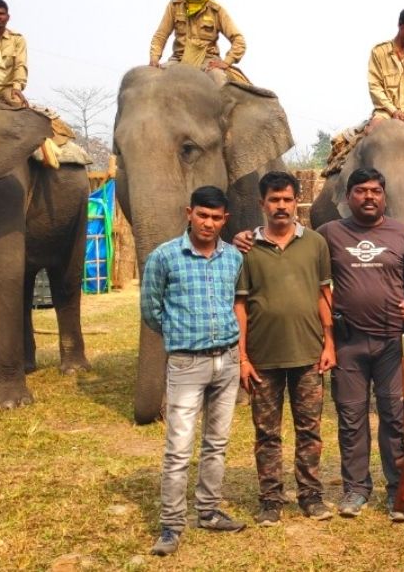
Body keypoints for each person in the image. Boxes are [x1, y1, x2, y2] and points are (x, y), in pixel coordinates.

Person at [141, 186, 246, 557]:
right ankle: (171, 524)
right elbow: (151, 310)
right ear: (190, 213)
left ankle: (209, 511)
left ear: (225, 220)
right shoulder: (165, 257)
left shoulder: (233, 258)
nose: (209, 223)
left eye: (217, 218)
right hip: (187, 363)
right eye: (203, 215)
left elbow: (235, 302)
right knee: (179, 448)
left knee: (217, 443)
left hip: (227, 360)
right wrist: (180, 336)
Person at [316, 167, 404, 522]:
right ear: (348, 197)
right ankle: (356, 489)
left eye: (375, 191)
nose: (369, 197)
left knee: (396, 417)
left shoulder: (403, 233)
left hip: (394, 343)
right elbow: (296, 248)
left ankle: (399, 488)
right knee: (351, 418)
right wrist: (250, 235)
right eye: (361, 191)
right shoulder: (329, 234)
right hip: (348, 342)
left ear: (384, 195)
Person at [234, 171, 336, 527]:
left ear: (297, 203)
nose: (281, 206)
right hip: (263, 358)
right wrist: (243, 357)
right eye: (274, 200)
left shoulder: (315, 244)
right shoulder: (246, 250)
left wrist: (329, 343)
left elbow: (325, 295)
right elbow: (240, 307)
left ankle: (310, 495)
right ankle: (271, 500)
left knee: (310, 429)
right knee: (267, 433)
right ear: (262, 204)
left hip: (308, 353)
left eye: (287, 200)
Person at [149, 0, 248, 83]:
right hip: (179, 59)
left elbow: (239, 40)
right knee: (153, 80)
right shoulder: (174, 6)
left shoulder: (216, 10)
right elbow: (161, 35)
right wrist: (154, 58)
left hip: (207, 60)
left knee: (219, 80)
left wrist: (226, 62)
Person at [0, 0, 28, 108]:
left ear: (8, 17)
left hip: (6, 88)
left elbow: (20, 65)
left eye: (2, 14)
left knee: (19, 104)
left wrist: (17, 87)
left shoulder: (17, 39)